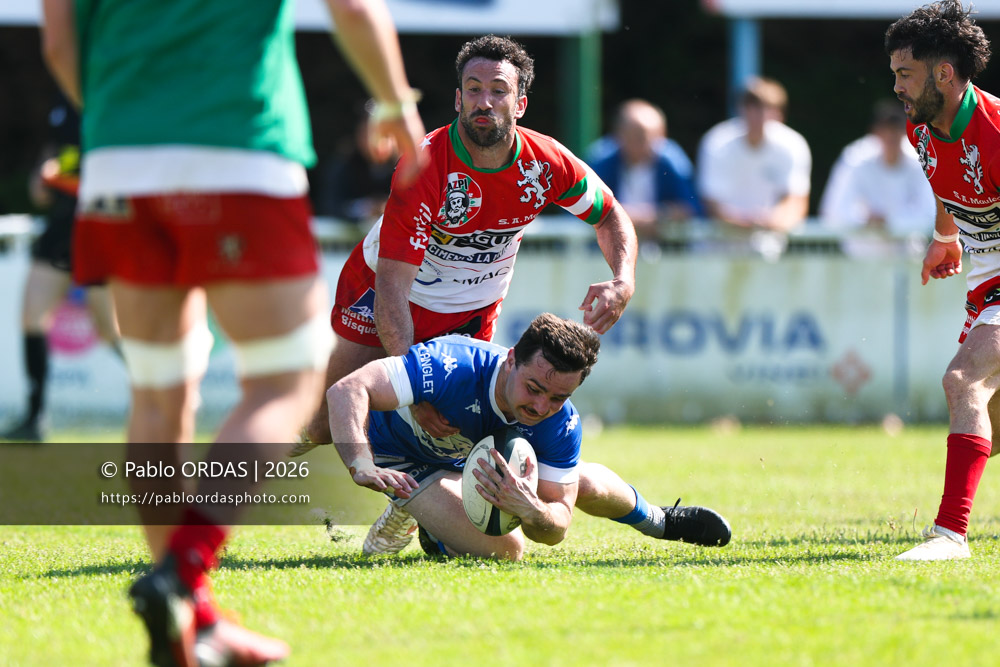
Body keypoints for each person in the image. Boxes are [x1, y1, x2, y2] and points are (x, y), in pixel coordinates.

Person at [41, 0, 426, 664]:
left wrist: (123, 120)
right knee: (287, 380)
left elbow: (58, 43)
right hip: (238, 151)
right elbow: (353, 7)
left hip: (117, 163)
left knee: (158, 391)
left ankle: (196, 624)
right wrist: (397, 104)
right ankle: (183, 572)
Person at [293, 35, 711, 555]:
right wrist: (414, 397)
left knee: (468, 433)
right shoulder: (424, 167)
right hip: (384, 295)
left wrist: (624, 278)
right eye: (473, 89)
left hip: (471, 312)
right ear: (457, 99)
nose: (484, 101)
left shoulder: (543, 163)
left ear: (521, 102)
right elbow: (393, 291)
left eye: (497, 89)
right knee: (319, 423)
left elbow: (610, 214)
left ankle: (413, 504)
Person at [327, 313, 731, 560]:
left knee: (578, 482)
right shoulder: (452, 365)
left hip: (468, 461)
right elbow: (347, 390)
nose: (541, 407)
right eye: (534, 388)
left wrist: (533, 508)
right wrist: (359, 460)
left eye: (559, 397)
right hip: (405, 459)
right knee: (510, 550)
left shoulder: (560, 421)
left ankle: (660, 522)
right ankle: (421, 515)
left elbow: (556, 527)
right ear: (510, 360)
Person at [885, 1, 999, 561]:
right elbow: (943, 178)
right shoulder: (920, 126)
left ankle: (950, 535)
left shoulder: (998, 133)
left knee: (963, 381)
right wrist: (946, 236)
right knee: (991, 432)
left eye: (906, 73)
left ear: (944, 74)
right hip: (987, 281)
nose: (899, 87)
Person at [0, 97, 119, 443]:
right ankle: (35, 417)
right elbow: (59, 153)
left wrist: (71, 176)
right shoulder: (62, 104)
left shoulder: (111, 94)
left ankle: (167, 398)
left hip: (99, 224)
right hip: (61, 228)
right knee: (31, 315)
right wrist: (44, 174)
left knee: (109, 328)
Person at [820, 100, 937, 256]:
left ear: (904, 132)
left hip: (906, 257)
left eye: (895, 131)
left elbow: (930, 214)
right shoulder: (855, 158)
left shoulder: (919, 161)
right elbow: (833, 210)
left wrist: (889, 222)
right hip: (860, 257)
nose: (890, 137)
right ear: (875, 132)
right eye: (885, 131)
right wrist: (864, 219)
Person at [697, 77, 812, 235]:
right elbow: (710, 203)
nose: (759, 117)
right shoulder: (717, 142)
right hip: (718, 247)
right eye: (752, 108)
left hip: (766, 248)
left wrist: (774, 221)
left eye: (766, 109)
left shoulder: (793, 145)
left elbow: (796, 201)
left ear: (779, 114)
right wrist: (743, 222)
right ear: (741, 109)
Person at [586, 99, 703, 241]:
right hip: (606, 247)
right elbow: (581, 204)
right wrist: (631, 217)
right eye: (638, 136)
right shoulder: (600, 160)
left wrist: (658, 215)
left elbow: (691, 207)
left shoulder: (672, 161)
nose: (647, 142)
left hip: (662, 249)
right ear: (619, 134)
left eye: (654, 136)